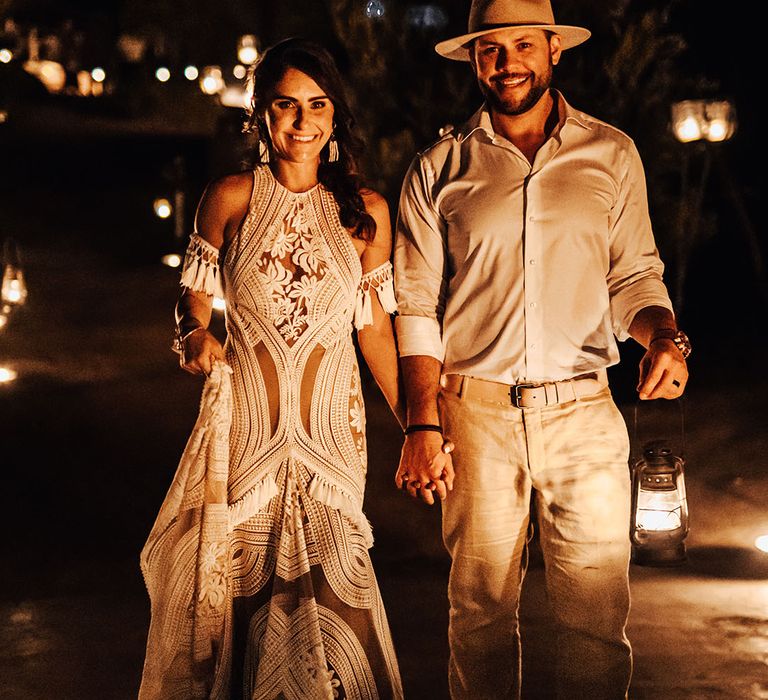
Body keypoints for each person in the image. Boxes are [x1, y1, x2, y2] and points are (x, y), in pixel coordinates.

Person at [393, 1, 691, 697]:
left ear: (554, 50)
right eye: (490, 49)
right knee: (479, 618)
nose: (507, 63)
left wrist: (664, 339)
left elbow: (635, 276)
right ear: (473, 59)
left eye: (522, 44)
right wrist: (422, 424)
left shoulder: (610, 153)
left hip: (584, 413)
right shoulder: (438, 167)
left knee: (595, 621)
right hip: (476, 416)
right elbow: (414, 308)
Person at [139, 38, 404, 699]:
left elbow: (376, 335)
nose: (302, 120)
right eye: (286, 105)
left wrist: (421, 427)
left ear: (336, 116)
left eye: (318, 105)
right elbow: (193, 295)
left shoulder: (367, 213)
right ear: (259, 113)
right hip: (250, 445)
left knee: (342, 606)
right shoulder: (229, 197)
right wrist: (194, 333)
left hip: (332, 449)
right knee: (249, 612)